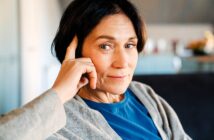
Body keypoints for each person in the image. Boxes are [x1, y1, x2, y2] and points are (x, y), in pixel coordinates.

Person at [0, 0, 192, 140]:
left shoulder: (144, 94)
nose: (123, 62)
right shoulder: (58, 122)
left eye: (129, 45)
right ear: (75, 52)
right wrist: (59, 94)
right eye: (105, 46)